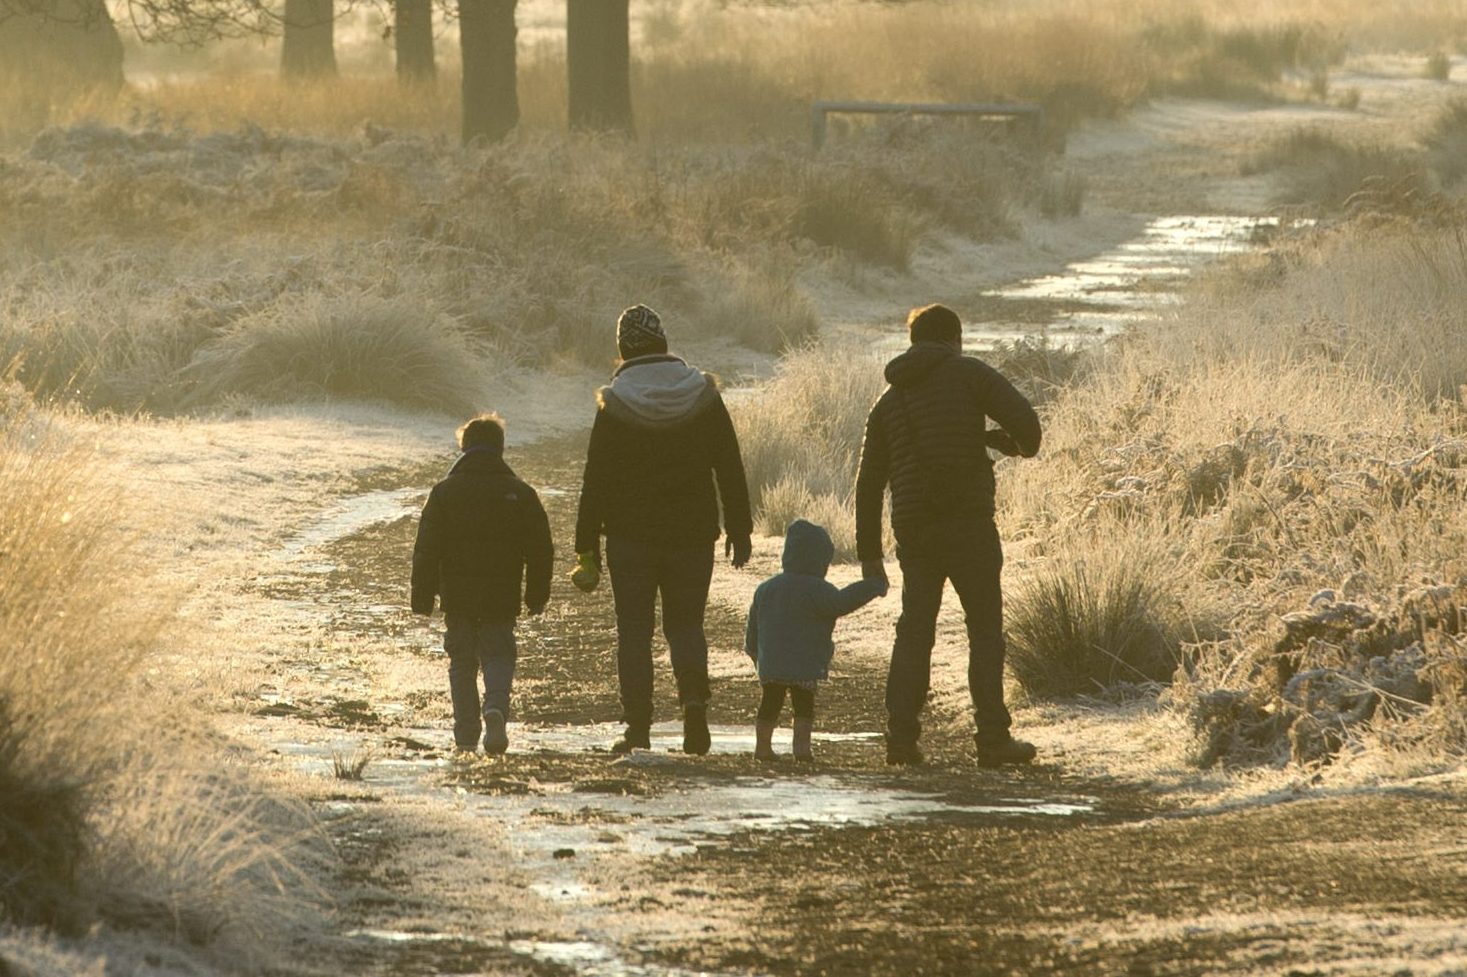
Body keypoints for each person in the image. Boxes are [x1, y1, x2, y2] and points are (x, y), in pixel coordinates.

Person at [854, 303, 1042, 767]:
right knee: (984, 631)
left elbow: (868, 482)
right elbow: (1031, 432)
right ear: (955, 340)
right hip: (969, 524)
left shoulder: (887, 402)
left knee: (915, 632)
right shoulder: (969, 374)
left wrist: (870, 557)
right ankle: (993, 740)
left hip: (915, 531)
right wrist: (999, 440)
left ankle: (901, 740)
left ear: (913, 343)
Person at [571, 304, 753, 756]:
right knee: (686, 626)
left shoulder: (615, 402)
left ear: (622, 349)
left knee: (634, 631)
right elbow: (728, 464)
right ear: (665, 344)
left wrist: (585, 544)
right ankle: (694, 709)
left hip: (630, 537)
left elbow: (596, 477)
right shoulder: (702, 394)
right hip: (691, 534)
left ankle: (638, 729)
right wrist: (740, 526)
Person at [411, 413, 553, 755]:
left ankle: (465, 734)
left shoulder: (444, 493)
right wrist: (536, 593)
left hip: (457, 594)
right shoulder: (520, 492)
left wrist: (422, 594)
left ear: (464, 447)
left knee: (462, 660)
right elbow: (541, 549)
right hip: (501, 593)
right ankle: (495, 709)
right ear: (500, 449)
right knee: (499, 652)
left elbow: (427, 548)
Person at [744, 519, 887, 762]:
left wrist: (755, 653)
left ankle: (763, 748)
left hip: (772, 662)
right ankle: (801, 749)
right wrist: (872, 586)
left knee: (769, 703)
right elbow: (843, 602)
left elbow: (753, 627)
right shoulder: (818, 589)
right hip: (805, 662)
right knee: (803, 706)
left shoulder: (766, 589)